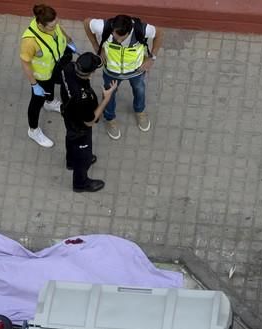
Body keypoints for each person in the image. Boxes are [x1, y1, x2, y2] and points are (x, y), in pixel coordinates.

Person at [83, 14, 164, 140]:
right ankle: (110, 119)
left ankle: (140, 111)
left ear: (130, 30)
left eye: (122, 38)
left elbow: (159, 33)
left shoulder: (141, 30)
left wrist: (152, 58)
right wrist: (97, 47)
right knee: (109, 94)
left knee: (139, 90)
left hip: (136, 70)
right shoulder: (103, 27)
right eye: (116, 36)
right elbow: (86, 22)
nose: (118, 41)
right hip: (111, 71)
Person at [60, 52, 117, 193]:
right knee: (84, 157)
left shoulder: (68, 68)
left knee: (70, 136)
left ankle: (71, 161)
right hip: (80, 127)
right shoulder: (85, 97)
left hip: (68, 114)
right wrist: (106, 99)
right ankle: (80, 183)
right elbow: (90, 121)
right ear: (91, 73)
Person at [20, 4, 76, 148]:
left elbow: (59, 29)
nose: (55, 26)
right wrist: (34, 84)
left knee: (51, 86)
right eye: (51, 26)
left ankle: (50, 103)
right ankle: (33, 130)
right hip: (41, 75)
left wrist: (69, 41)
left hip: (54, 67)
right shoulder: (30, 41)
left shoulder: (52, 24)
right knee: (36, 101)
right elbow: (25, 63)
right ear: (40, 25)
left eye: (56, 22)